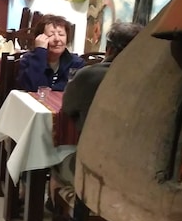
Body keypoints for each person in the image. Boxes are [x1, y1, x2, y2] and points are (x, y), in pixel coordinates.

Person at [53, 21, 144, 186]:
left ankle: (59, 199)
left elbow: (67, 108)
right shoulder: (150, 82)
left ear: (109, 49)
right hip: (136, 170)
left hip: (93, 166)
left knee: (54, 159)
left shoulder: (88, 76)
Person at [17, 14, 85, 92]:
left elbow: (72, 90)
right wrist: (40, 52)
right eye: (51, 35)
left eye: (61, 34)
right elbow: (31, 87)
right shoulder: (28, 60)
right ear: (39, 38)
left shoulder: (76, 63)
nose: (57, 39)